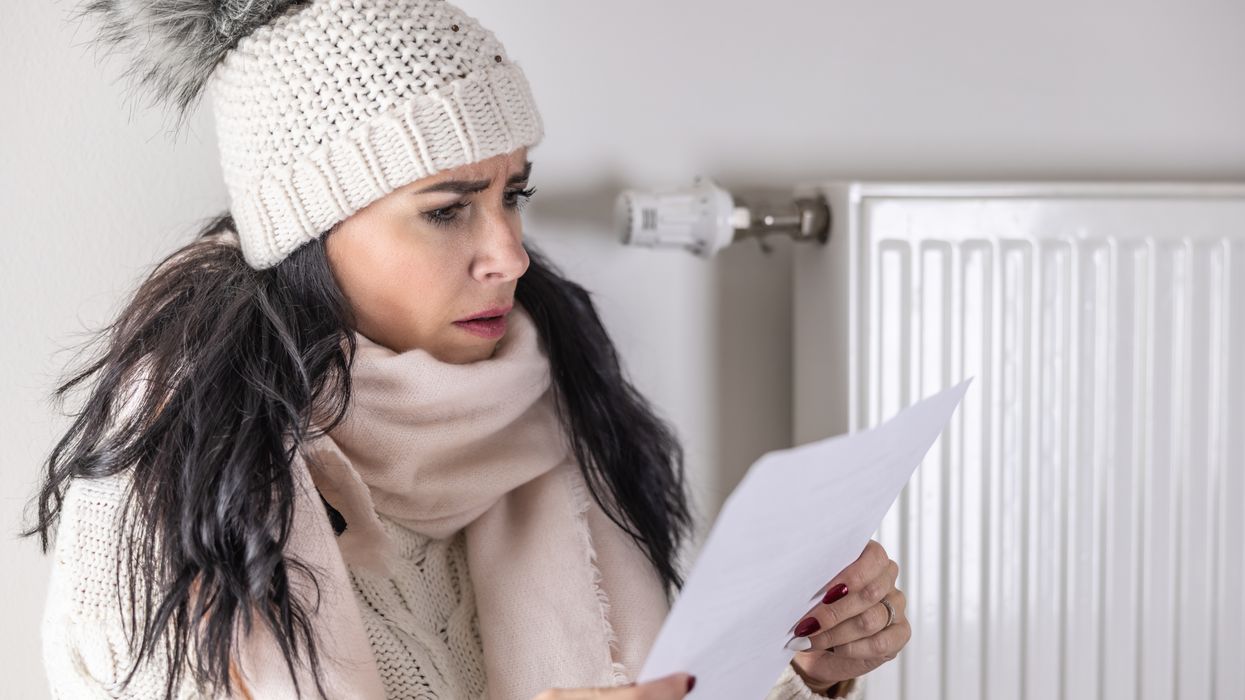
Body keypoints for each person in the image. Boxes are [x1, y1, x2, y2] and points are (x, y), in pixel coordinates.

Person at [21, 1, 910, 698]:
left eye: (512, 195)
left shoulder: (547, 408)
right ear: (308, 233)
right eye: (448, 209)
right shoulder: (171, 479)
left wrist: (808, 668)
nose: (511, 254)